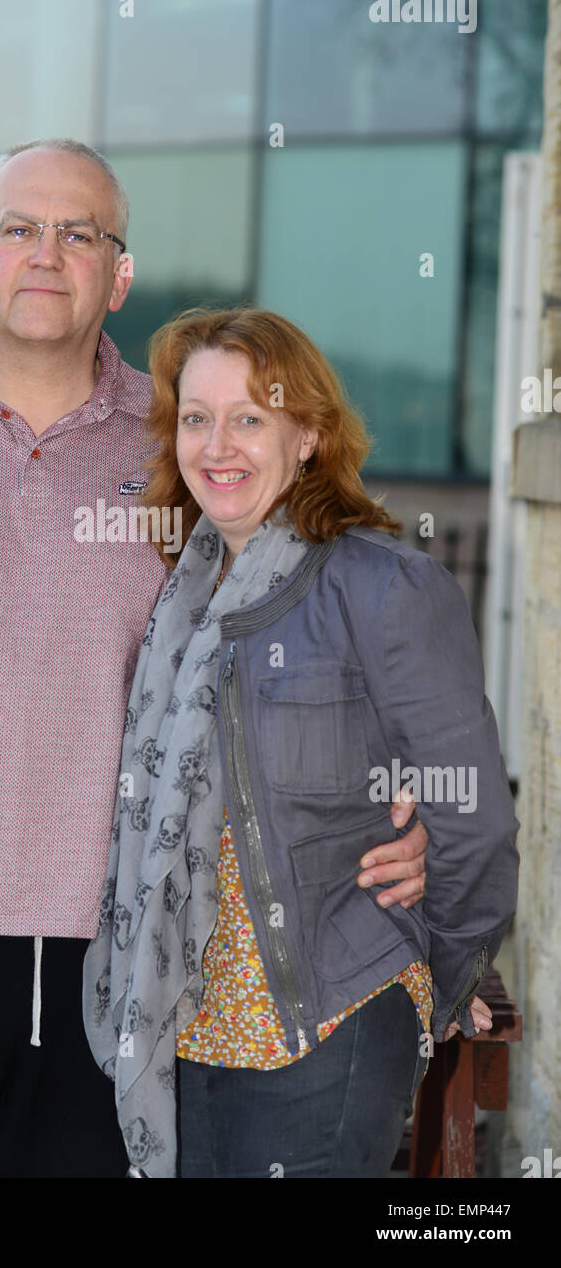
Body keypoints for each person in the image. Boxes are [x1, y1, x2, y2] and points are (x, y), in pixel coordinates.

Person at [0, 141, 427, 1178]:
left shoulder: (185, 449)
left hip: (118, 961)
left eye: (79, 233)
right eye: (18, 228)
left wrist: (395, 806)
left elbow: (304, 655)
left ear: (119, 273)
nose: (45, 254)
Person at [83, 306, 520, 1179]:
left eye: (250, 418)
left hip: (325, 1022)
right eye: (196, 419)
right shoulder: (184, 598)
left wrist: (444, 967)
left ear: (309, 434)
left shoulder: (384, 587)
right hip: (187, 1021)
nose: (218, 446)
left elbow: (471, 816)